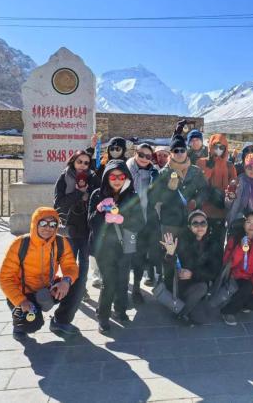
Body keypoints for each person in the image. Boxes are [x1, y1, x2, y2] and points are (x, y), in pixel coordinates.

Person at [0, 207, 80, 341]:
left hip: (48, 289)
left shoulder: (60, 242)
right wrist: (21, 301)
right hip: (24, 293)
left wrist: (66, 281)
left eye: (52, 224)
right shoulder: (20, 244)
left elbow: (70, 266)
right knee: (30, 325)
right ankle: (19, 324)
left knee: (76, 282)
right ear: (35, 223)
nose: (48, 228)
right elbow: (5, 278)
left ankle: (60, 321)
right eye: (43, 223)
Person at [88, 160, 145, 334]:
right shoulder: (97, 194)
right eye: (113, 176)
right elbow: (90, 221)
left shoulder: (132, 196)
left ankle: (120, 310)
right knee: (109, 281)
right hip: (104, 246)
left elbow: (140, 222)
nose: (117, 180)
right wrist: (100, 212)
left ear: (126, 177)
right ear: (107, 177)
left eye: (121, 177)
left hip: (124, 245)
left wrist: (122, 219)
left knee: (122, 280)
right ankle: (103, 316)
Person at [160, 210, 223, 324]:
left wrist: (192, 274)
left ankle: (183, 309)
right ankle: (181, 313)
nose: (200, 226)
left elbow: (214, 272)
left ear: (207, 225)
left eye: (203, 223)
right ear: (189, 227)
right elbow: (167, 269)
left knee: (202, 318)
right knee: (198, 310)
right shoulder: (180, 240)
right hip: (178, 285)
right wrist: (169, 254)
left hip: (197, 284)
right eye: (195, 223)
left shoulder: (213, 244)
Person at [54, 150, 100, 304]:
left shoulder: (93, 178)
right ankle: (69, 290)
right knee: (70, 262)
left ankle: (81, 290)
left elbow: (99, 199)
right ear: (73, 161)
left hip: (87, 227)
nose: (82, 165)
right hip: (70, 227)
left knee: (84, 262)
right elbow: (59, 203)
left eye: (86, 163)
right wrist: (79, 193)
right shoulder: (64, 177)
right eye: (79, 161)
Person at [152, 135, 208, 238]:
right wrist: (169, 189)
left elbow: (204, 190)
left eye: (182, 150)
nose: (179, 153)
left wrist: (196, 201)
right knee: (169, 247)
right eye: (176, 151)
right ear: (171, 153)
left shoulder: (196, 171)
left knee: (190, 248)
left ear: (186, 152)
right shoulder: (163, 173)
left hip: (191, 220)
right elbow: (155, 197)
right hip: (170, 221)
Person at [220, 212, 253, 326]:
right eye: (248, 222)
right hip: (235, 277)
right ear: (243, 224)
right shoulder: (234, 240)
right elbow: (228, 262)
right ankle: (228, 311)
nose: (251, 226)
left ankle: (239, 300)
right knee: (247, 288)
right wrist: (241, 249)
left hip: (250, 280)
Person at [126, 143, 160, 302]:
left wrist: (156, 181)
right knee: (126, 257)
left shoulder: (153, 172)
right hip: (127, 223)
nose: (144, 158)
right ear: (135, 153)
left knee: (139, 257)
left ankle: (136, 289)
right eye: (141, 154)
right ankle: (122, 290)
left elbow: (158, 197)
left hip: (145, 222)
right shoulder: (126, 170)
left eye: (148, 156)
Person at [197, 133, 237, 247]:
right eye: (216, 146)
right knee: (201, 247)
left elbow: (234, 186)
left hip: (221, 212)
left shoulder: (229, 166)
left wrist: (231, 191)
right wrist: (209, 167)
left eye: (222, 147)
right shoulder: (201, 162)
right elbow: (199, 184)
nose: (218, 150)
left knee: (218, 247)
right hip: (204, 212)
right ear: (210, 146)